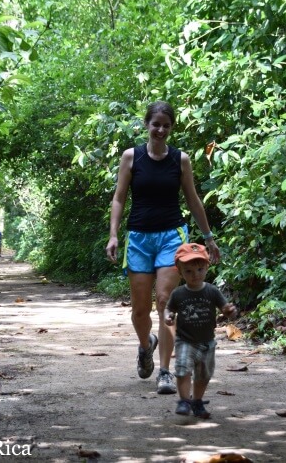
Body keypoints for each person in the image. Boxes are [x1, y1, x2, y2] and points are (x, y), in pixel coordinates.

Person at [106, 100, 221, 395]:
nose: (160, 130)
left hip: (172, 235)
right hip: (140, 237)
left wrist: (208, 237)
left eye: (166, 126)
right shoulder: (131, 157)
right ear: (147, 125)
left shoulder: (180, 160)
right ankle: (146, 346)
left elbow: (193, 199)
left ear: (171, 128)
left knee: (165, 300)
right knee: (140, 309)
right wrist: (114, 234)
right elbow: (119, 198)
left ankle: (166, 372)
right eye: (155, 124)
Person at [164, 243, 236, 418]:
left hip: (206, 342)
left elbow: (225, 308)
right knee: (182, 370)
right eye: (188, 271)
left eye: (199, 269)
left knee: (203, 376)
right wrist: (168, 316)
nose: (195, 275)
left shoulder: (211, 291)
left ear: (206, 268)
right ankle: (184, 400)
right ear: (180, 272)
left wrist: (230, 311)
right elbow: (169, 308)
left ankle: (197, 401)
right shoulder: (179, 293)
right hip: (185, 340)